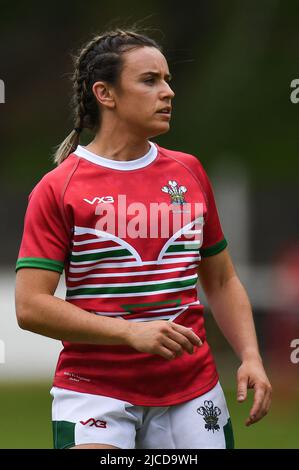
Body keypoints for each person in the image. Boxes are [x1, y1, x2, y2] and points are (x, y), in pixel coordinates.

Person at [15, 28, 272, 450]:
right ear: (105, 93)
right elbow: (30, 307)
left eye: (168, 79)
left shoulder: (189, 172)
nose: (168, 92)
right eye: (150, 80)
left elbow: (222, 280)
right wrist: (130, 333)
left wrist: (251, 356)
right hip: (93, 391)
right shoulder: (59, 187)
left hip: (191, 389)